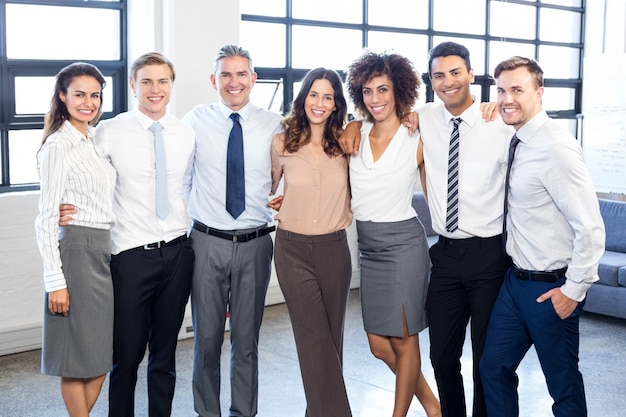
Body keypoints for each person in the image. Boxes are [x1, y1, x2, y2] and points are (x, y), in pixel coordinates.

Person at [339, 42, 511, 417]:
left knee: (480, 355)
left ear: (469, 73)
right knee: (409, 350)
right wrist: (354, 120)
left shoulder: (484, 121)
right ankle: (438, 409)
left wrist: (500, 104)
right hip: (420, 251)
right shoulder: (418, 120)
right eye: (438, 75)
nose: (447, 82)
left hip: (471, 250)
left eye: (454, 73)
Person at [479, 56, 605, 417]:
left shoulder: (556, 148)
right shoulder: (516, 137)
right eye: (501, 90)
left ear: (540, 93)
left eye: (517, 89)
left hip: (551, 287)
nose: (507, 98)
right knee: (493, 368)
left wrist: (573, 290)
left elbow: (591, 227)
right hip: (515, 282)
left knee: (562, 385)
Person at [90, 52, 194, 417]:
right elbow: (89, 182)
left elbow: (188, 187)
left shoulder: (185, 133)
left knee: (165, 354)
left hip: (179, 253)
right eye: (146, 81)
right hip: (131, 256)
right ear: (133, 85)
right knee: (127, 356)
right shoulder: (109, 131)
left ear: (171, 86)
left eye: (162, 81)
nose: (155, 89)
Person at [182, 45, 282, 417]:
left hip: (256, 243)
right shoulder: (195, 119)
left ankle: (244, 412)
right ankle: (207, 413)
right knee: (206, 341)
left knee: (247, 341)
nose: (234, 82)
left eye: (242, 74)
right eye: (225, 75)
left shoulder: (275, 123)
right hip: (206, 242)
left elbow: (309, 157)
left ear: (253, 79)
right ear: (214, 80)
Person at [346, 51, 441, 417]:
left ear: (399, 90)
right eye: (367, 91)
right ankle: (434, 407)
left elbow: (453, 118)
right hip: (369, 251)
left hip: (404, 246)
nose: (376, 99)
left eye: (383, 89)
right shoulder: (353, 133)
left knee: (404, 340)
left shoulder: (416, 134)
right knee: (377, 345)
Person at [269, 68, 353, 417]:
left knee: (332, 341)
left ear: (336, 103)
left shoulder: (347, 143)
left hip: (335, 249)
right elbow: (263, 188)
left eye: (328, 96)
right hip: (292, 249)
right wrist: (274, 199)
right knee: (313, 338)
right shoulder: (282, 142)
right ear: (303, 98)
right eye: (314, 95)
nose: (320, 103)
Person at [35, 62, 115, 417]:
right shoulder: (58, 144)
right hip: (76, 253)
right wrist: (56, 282)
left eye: (95, 95)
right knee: (74, 357)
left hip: (101, 249)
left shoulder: (93, 140)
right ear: (62, 96)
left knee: (98, 355)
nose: (88, 102)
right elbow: (45, 217)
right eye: (79, 94)